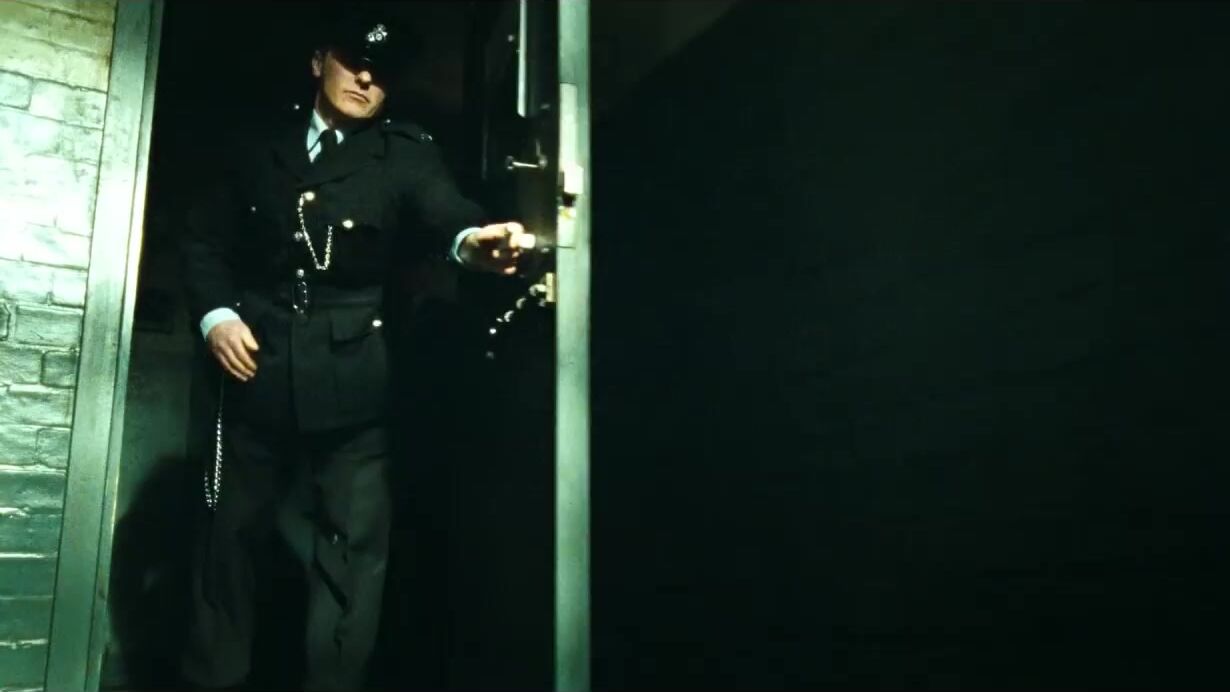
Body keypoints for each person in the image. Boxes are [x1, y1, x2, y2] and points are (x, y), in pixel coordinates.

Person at [178, 10, 529, 690]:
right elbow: (203, 240)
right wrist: (217, 317)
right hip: (253, 371)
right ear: (320, 63)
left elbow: (446, 212)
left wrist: (474, 244)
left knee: (351, 557)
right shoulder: (259, 144)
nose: (366, 78)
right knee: (229, 543)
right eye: (353, 62)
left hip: (356, 384)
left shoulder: (403, 153)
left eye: (382, 72)